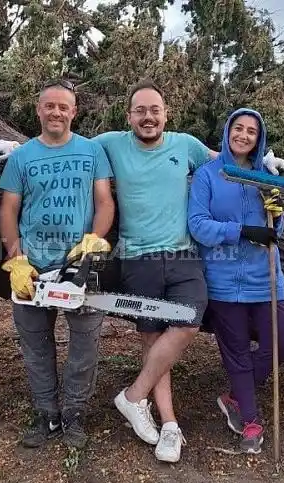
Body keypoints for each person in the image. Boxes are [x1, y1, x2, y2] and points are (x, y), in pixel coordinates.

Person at [90, 80, 216, 463]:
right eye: (140, 111)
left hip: (182, 255)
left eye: (154, 110)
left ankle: (133, 396)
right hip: (137, 258)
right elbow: (68, 147)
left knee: (188, 323)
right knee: (153, 339)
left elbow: (224, 161)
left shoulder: (185, 145)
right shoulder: (112, 143)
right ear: (129, 116)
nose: (148, 117)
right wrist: (17, 148)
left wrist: (265, 161)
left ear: (166, 114)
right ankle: (170, 425)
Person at [0, 79, 115, 450]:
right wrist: (16, 258)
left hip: (79, 264)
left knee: (85, 345)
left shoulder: (92, 151)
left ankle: (75, 412)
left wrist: (94, 238)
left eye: (63, 106)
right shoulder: (21, 157)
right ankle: (46, 412)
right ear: (38, 110)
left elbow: (105, 202)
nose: (56, 112)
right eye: (49, 106)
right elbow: (9, 209)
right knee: (36, 346)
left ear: (73, 111)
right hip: (33, 266)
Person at [187, 108, 284, 455]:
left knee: (282, 345)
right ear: (228, 131)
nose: (243, 135)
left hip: (266, 277)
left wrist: (277, 215)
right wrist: (242, 231)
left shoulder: (266, 176)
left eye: (251, 131)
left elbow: (276, 230)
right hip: (223, 278)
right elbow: (198, 225)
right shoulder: (208, 175)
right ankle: (249, 419)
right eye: (238, 128)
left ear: (259, 138)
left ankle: (235, 395)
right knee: (237, 354)